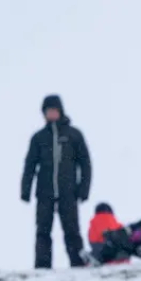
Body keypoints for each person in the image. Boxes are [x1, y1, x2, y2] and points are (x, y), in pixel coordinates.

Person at [21, 95, 92, 269]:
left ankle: (78, 263)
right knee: (42, 231)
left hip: (68, 192)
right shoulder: (38, 138)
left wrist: (84, 189)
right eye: (48, 111)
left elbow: (85, 164)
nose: (51, 114)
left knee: (72, 231)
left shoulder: (74, 135)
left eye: (54, 110)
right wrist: (26, 190)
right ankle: (42, 267)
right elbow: (29, 165)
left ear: (60, 111)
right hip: (44, 193)